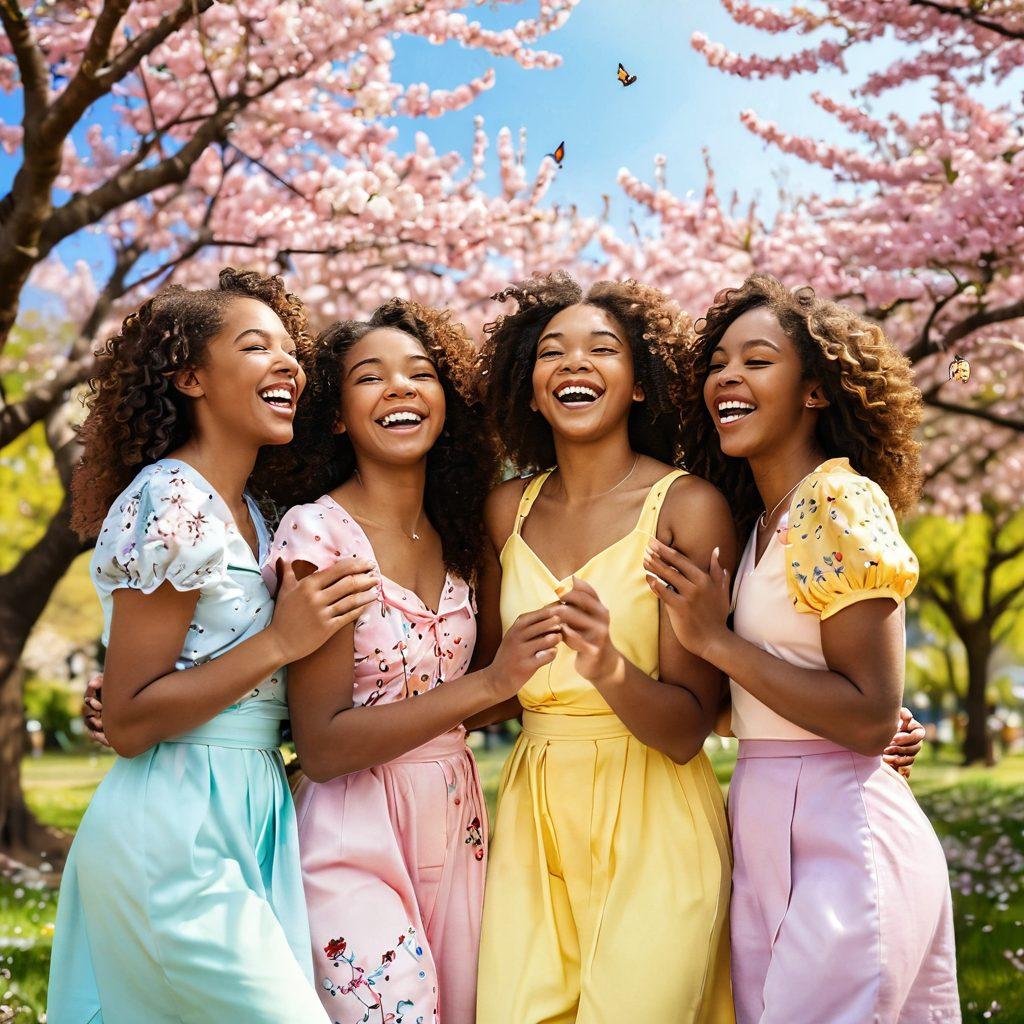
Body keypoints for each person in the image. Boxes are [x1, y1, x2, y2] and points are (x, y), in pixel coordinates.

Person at [48, 270, 376, 1024]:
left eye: (292, 351)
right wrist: (282, 641)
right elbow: (130, 723)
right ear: (190, 376)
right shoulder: (171, 500)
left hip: (255, 811)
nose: (289, 364)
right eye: (256, 346)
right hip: (172, 827)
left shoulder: (259, 515)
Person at [645, 274, 960, 1023]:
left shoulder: (837, 500)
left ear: (816, 390)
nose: (728, 375)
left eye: (757, 360)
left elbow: (867, 720)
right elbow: (754, 710)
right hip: (758, 820)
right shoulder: (760, 525)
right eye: (718, 362)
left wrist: (714, 642)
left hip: (843, 831)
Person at [260, 299, 562, 1023]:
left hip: (455, 816)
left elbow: (498, 691)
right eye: (370, 377)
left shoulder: (461, 533)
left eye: (419, 374)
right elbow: (325, 745)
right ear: (336, 414)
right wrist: (491, 682)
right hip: (350, 825)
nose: (399, 387)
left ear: (445, 403)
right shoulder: (319, 534)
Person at [474, 272, 737, 1023]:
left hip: (656, 807)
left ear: (641, 384)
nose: (575, 363)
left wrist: (607, 665)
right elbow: (484, 683)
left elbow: (689, 729)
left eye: (602, 349)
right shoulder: (505, 510)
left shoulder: (687, 506)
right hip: (534, 809)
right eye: (552, 353)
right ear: (530, 392)